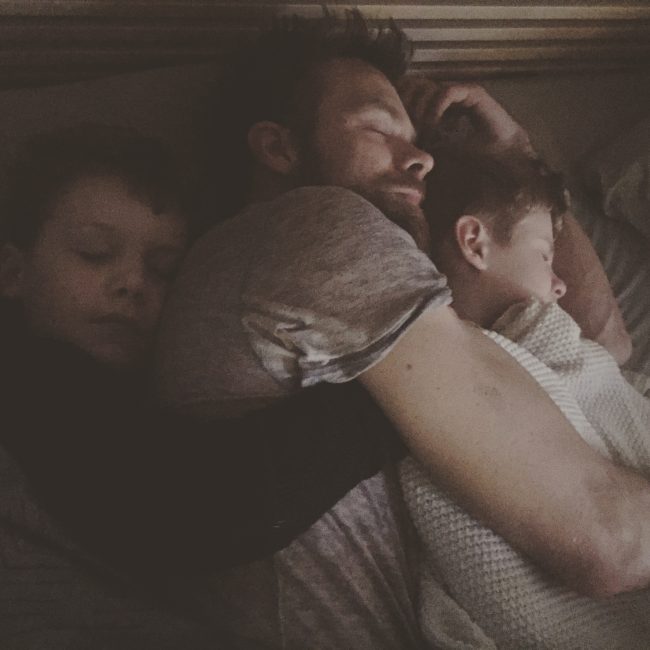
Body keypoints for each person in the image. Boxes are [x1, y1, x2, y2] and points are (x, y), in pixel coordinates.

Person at [156, 9, 650, 610]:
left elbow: (604, 347)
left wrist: (518, 154)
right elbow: (607, 537)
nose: (422, 159)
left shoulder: (345, 274)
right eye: (378, 128)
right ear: (279, 147)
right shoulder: (319, 227)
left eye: (414, 139)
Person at [0, 123, 405, 646]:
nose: (133, 283)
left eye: (163, 269)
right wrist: (383, 397)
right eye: (95, 253)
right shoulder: (33, 380)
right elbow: (196, 505)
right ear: (13, 273)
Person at [399, 147, 650, 648]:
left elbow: (612, 366)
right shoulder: (447, 375)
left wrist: (514, 142)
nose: (559, 286)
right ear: (475, 242)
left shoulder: (552, 349)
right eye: (544, 255)